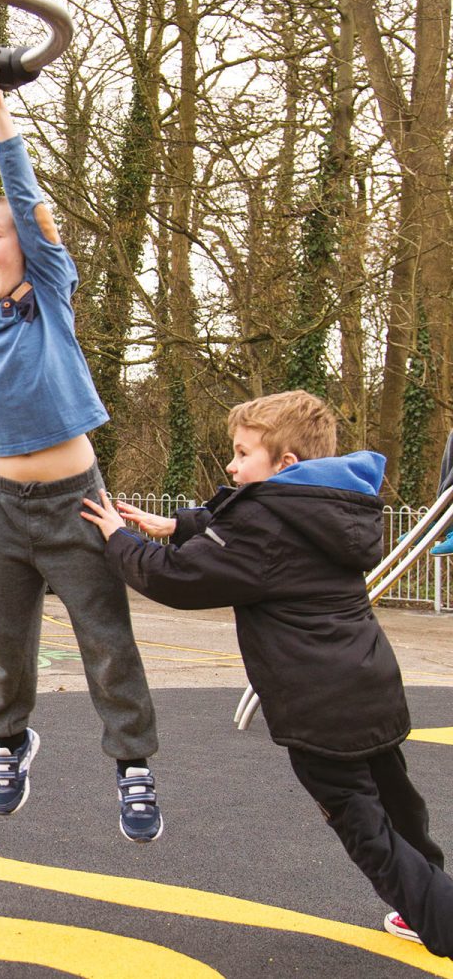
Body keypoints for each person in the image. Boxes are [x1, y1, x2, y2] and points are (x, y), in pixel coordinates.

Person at [81, 389, 453, 957]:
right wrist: (177, 523)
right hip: (371, 683)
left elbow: (179, 579)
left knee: (365, 830)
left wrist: (118, 539)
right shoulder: (333, 506)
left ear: (286, 464)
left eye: (242, 454)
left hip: (317, 706)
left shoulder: (264, 525)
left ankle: (442, 919)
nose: (231, 467)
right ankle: (426, 895)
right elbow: (243, 528)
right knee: (398, 802)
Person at [0, 73, 161, 840]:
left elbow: (25, 203)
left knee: (105, 639)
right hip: (4, 505)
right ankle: (11, 741)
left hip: (75, 499)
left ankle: (133, 764)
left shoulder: (50, 289)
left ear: (26, 245)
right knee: (5, 644)